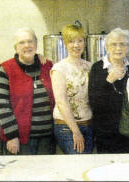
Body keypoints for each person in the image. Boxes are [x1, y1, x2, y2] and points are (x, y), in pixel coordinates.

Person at [0, 28, 55, 155]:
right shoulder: (6, 69)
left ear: (36, 44)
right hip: (20, 140)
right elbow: (2, 105)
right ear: (16, 47)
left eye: (30, 41)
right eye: (22, 43)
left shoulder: (48, 65)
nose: (27, 45)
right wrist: (12, 136)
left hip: (48, 137)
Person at [88, 28, 129, 153]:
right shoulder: (97, 68)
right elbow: (94, 102)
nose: (118, 48)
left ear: (128, 47)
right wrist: (108, 81)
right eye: (114, 44)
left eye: (122, 44)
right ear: (107, 47)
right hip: (105, 133)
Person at [51, 24, 93, 154]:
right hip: (66, 126)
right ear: (65, 44)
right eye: (71, 41)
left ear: (84, 43)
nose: (76, 45)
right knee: (78, 163)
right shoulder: (59, 68)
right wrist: (76, 131)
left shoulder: (90, 66)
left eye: (80, 41)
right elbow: (61, 101)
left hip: (88, 124)